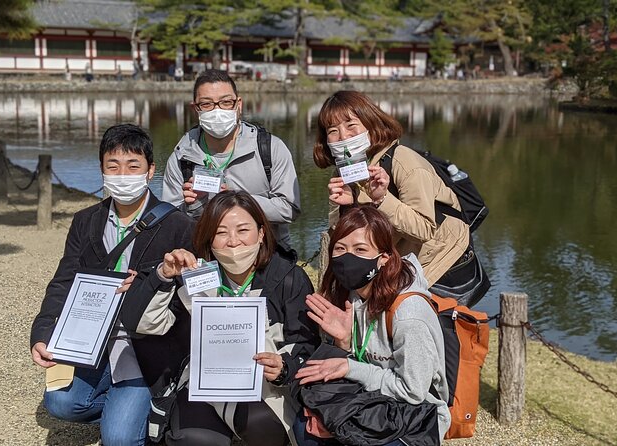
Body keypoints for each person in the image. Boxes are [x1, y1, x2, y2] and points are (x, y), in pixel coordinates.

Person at [30, 124, 195, 446]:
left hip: (145, 346)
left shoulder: (178, 225)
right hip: (94, 340)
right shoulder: (86, 221)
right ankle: (133, 410)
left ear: (150, 171)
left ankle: (143, 407)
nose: (123, 175)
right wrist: (43, 332)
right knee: (61, 404)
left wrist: (145, 288)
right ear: (102, 170)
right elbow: (64, 280)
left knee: (119, 439)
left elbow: (186, 303)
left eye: (133, 166)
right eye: (113, 166)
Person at [120, 190, 320, 446]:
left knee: (262, 425)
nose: (233, 241)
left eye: (243, 230)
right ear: (209, 238)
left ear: (261, 233)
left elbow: (307, 345)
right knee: (194, 437)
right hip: (204, 383)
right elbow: (143, 324)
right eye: (221, 232)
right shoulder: (194, 275)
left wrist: (283, 367)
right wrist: (163, 275)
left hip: (265, 386)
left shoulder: (288, 278)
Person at [293, 205, 450, 445]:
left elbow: (413, 392)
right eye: (340, 249)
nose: (348, 258)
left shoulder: (409, 315)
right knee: (306, 428)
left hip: (413, 413)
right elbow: (353, 365)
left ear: (384, 259)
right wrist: (343, 343)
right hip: (369, 399)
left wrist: (350, 368)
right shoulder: (350, 295)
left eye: (360, 249)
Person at [313, 90, 470, 287]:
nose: (343, 136)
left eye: (351, 125)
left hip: (440, 260)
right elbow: (345, 242)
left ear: (371, 124)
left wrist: (382, 199)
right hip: (393, 262)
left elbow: (424, 231)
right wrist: (345, 207)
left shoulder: (404, 161)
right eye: (332, 131)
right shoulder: (342, 173)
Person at [162, 69, 301, 250]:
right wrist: (193, 205)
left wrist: (237, 200)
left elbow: (289, 209)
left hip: (266, 256)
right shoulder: (182, 156)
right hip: (208, 258)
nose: (217, 110)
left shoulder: (270, 148)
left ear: (239, 105)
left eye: (226, 102)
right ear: (195, 108)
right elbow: (169, 222)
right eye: (207, 104)